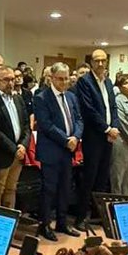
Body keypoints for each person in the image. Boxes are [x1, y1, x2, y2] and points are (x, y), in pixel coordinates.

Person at [34, 62, 83, 241]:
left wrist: (75, 138)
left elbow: (78, 119)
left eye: (66, 79)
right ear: (52, 78)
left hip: (68, 149)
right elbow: (46, 125)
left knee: (65, 188)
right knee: (49, 189)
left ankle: (62, 222)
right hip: (51, 150)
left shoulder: (71, 97)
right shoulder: (42, 97)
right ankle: (45, 224)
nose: (63, 82)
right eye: (60, 79)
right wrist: (65, 140)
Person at [73, 48, 120, 228]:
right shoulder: (84, 82)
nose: (100, 64)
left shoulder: (107, 82)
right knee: (89, 177)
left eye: (103, 60)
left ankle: (97, 214)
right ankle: (81, 217)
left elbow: (113, 107)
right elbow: (88, 110)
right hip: (93, 136)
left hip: (108, 136)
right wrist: (107, 129)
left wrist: (114, 126)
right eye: (96, 61)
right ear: (91, 62)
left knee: (102, 177)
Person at [0, 65, 30, 209]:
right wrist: (13, 148)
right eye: (6, 80)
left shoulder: (18, 99)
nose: (11, 83)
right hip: (2, 153)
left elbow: (26, 125)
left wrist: (23, 145)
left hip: (18, 153)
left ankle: (9, 226)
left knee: (11, 189)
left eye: (13, 79)